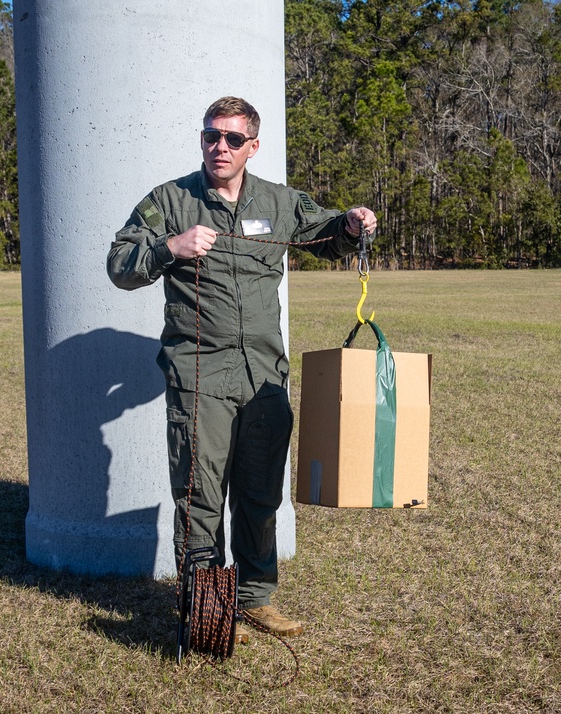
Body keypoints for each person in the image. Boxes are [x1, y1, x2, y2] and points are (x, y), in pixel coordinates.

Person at [106, 96, 377, 644]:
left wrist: (352, 224)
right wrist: (168, 248)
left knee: (260, 494)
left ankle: (253, 599)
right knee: (200, 497)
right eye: (211, 136)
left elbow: (325, 234)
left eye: (232, 139)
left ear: (253, 146)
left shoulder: (276, 202)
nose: (219, 147)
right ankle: (204, 609)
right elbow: (119, 264)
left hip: (263, 379)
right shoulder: (170, 200)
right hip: (200, 377)